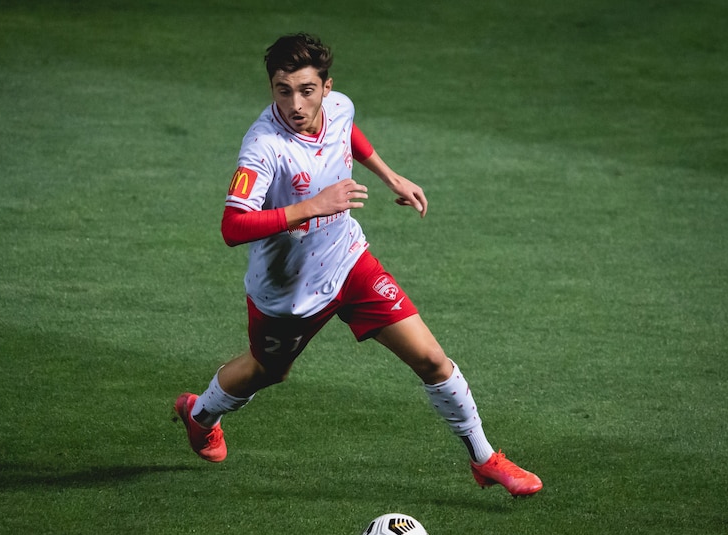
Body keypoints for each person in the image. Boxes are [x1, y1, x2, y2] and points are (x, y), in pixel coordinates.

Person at [174, 33, 542, 497]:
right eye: (282, 90)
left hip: (349, 262)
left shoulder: (341, 107)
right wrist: (313, 205)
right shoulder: (263, 147)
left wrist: (390, 175)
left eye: (307, 90)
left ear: (327, 88)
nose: (295, 104)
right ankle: (200, 414)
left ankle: (485, 459)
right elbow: (233, 227)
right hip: (288, 292)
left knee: (431, 359)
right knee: (267, 372)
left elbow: (346, 132)